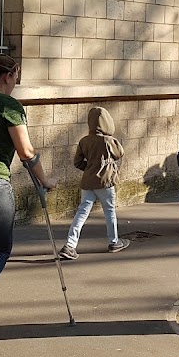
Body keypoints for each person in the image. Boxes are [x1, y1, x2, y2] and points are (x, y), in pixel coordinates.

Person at [0, 55, 56, 303]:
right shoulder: (7, 105)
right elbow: (26, 152)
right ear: (7, 76)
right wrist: (44, 181)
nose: (17, 81)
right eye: (16, 75)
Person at [59, 107, 129, 259]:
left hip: (88, 181)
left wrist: (89, 168)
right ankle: (113, 241)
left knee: (82, 212)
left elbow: (77, 162)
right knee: (109, 211)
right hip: (105, 181)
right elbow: (119, 153)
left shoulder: (84, 141)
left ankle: (70, 245)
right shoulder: (109, 140)